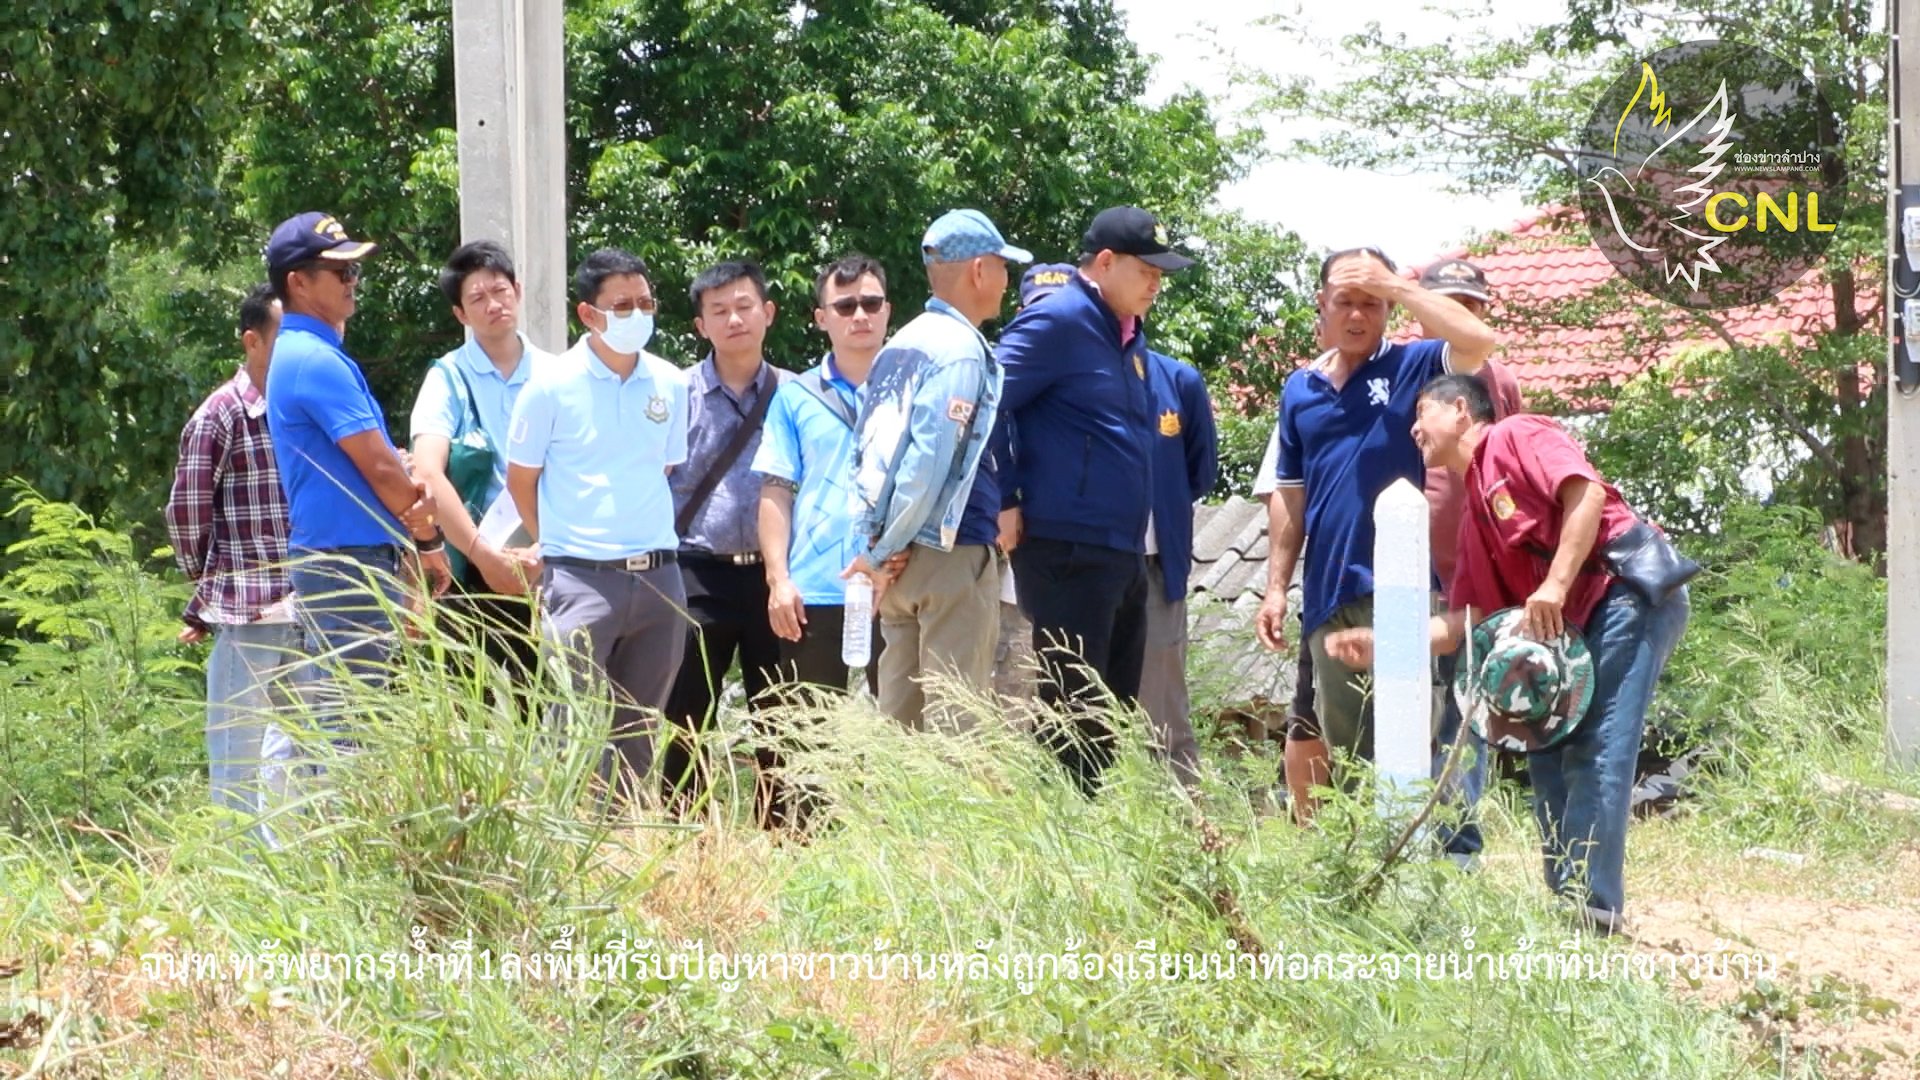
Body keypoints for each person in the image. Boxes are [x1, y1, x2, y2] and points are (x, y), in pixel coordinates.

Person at [1327, 372, 1690, 932]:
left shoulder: (1518, 434)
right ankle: (1567, 901)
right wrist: (1387, 642)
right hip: (1566, 626)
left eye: (1422, 412)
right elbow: (1472, 621)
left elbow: (1586, 492)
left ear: (1461, 412)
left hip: (1623, 595)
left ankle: (1593, 915)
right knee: (1545, 752)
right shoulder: (1475, 512)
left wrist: (1554, 585)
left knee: (1596, 749)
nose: (1415, 429)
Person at [1251, 246, 1495, 806]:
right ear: (1322, 305)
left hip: (1402, 591)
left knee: (1416, 742)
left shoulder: (1411, 365)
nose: (1358, 315)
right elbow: (1291, 494)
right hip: (1326, 594)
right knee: (1345, 751)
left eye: (1372, 303)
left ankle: (1430, 872)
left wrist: (1400, 287)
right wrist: (1274, 587)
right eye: (1345, 303)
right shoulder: (1299, 390)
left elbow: (1479, 343)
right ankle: (1362, 873)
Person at [997, 206, 1195, 795]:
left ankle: (1092, 850)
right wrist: (1006, 496)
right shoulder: (1059, 319)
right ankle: (1057, 855)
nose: (1158, 281)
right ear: (1105, 263)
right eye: (1147, 268)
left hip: (1121, 551)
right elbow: (986, 404)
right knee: (1072, 716)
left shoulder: (1126, 334)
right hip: (1066, 547)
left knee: (1109, 718)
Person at [506, 247, 690, 804]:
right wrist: (560, 545)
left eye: (645, 302)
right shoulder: (549, 385)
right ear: (588, 315)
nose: (638, 314)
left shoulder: (670, 383)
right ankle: (564, 852)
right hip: (581, 580)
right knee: (572, 732)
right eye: (622, 305)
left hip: (660, 580)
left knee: (638, 732)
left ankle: (624, 844)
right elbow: (522, 481)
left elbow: (662, 467)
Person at [264, 212, 448, 738]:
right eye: (339, 271)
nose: (352, 281)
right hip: (349, 563)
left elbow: (377, 460)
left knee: (348, 718)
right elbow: (382, 469)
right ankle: (348, 823)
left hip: (345, 557)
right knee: (354, 727)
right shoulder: (314, 360)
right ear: (298, 282)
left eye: (354, 271)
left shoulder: (308, 354)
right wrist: (429, 540)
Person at [845, 209, 1029, 733]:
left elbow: (870, 453)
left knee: (900, 725)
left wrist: (875, 548)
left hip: (896, 561)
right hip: (949, 551)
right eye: (1001, 266)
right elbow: (929, 464)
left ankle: (887, 820)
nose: (1005, 280)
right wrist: (884, 550)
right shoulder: (964, 353)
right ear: (977, 271)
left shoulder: (901, 342)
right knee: (957, 728)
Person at [750, 253, 890, 828]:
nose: (860, 315)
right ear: (820, 317)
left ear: (889, 312)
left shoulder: (917, 388)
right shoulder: (796, 396)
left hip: (899, 589)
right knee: (812, 742)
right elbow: (776, 491)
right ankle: (814, 864)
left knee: (899, 735)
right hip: (816, 593)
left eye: (872, 304)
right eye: (846, 305)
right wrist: (778, 580)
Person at [166, 283, 298, 838]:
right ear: (252, 341)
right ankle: (241, 877)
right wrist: (210, 590)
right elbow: (186, 511)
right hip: (249, 611)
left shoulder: (300, 406)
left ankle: (295, 872)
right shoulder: (222, 414)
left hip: (311, 604)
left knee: (302, 748)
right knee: (237, 751)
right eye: (284, 337)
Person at [660, 260, 791, 813]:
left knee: (784, 719)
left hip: (776, 579)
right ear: (701, 326)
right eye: (719, 311)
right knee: (685, 719)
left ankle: (786, 839)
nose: (734, 319)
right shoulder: (675, 394)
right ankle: (686, 841)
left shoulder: (796, 394)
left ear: (768, 313)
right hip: (697, 572)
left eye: (744, 306)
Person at [1414, 257, 1525, 859]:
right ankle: (1383, 839)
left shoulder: (1496, 383)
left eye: (1471, 307)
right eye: (1447, 306)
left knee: (1461, 721)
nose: (1460, 318)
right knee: (1399, 708)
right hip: (1404, 569)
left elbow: (1505, 469)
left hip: (1471, 579)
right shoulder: (1405, 373)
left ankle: (1454, 851)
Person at [409, 240, 549, 690]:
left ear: (518, 291)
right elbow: (428, 472)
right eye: (477, 298)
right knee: (472, 702)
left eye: (501, 291)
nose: (494, 305)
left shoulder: (557, 373)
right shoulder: (446, 378)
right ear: (461, 315)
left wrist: (544, 551)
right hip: (470, 568)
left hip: (547, 566)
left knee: (550, 706)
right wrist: (484, 556)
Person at [990, 264, 1075, 704]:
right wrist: (1006, 500)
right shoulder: (1003, 365)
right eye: (1040, 312)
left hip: (1067, 550)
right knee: (1005, 691)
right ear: (1021, 312)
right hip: (1003, 551)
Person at [1139, 348, 1219, 788]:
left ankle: (1184, 833)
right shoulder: (1074, 374)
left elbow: (1199, 472)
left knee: (1166, 718)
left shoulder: (1178, 379)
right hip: (1086, 567)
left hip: (1155, 567)